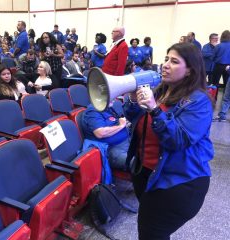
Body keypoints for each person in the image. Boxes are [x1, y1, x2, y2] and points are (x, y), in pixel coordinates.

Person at [124, 43, 213, 239]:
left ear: (190, 70)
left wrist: (155, 110)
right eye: (166, 59)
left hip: (178, 182)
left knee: (151, 232)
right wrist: (132, 99)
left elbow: (178, 140)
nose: (165, 65)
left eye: (174, 61)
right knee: (153, 231)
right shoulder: (161, 91)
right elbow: (135, 118)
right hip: (148, 173)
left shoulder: (199, 101)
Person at [82, 102, 130, 170]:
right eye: (111, 97)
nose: (113, 100)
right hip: (112, 149)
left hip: (127, 141)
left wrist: (125, 124)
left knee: (147, 156)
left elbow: (114, 122)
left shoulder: (107, 108)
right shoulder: (92, 111)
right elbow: (100, 133)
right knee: (138, 164)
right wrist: (121, 126)